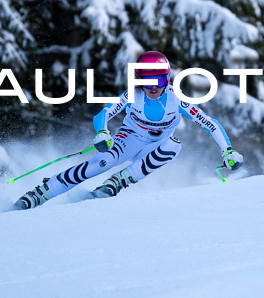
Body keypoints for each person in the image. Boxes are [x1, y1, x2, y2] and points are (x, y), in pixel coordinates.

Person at [13, 51, 243, 209]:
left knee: (174, 146)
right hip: (129, 138)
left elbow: (209, 123)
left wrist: (227, 151)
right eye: (146, 81)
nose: (152, 88)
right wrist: (102, 133)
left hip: (156, 145)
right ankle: (41, 192)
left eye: (159, 81)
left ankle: (118, 182)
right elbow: (104, 113)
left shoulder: (177, 99)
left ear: (167, 79)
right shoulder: (133, 95)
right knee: (99, 164)